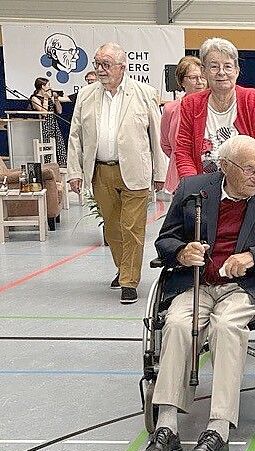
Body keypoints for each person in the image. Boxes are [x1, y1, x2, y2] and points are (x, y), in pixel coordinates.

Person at [134, 135, 255, 451]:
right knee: (178, 324)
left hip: (245, 287)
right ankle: (167, 428)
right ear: (224, 167)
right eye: (249, 170)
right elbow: (165, 240)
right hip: (197, 282)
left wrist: (254, 257)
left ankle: (218, 432)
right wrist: (181, 252)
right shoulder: (193, 191)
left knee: (227, 326)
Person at [67, 42, 167, 304]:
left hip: (135, 171)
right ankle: (124, 268)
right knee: (112, 228)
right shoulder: (86, 95)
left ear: (122, 67)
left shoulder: (144, 93)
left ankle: (129, 281)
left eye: (106, 64)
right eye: (97, 64)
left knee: (132, 227)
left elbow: (156, 135)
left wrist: (160, 171)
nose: (100, 69)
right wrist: (74, 172)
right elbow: (75, 136)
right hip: (101, 171)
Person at [174, 38, 255, 183]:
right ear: (204, 71)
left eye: (228, 66)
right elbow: (183, 150)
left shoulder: (253, 100)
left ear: (237, 71)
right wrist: (192, 187)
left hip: (249, 188)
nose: (221, 72)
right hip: (204, 190)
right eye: (214, 67)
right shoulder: (191, 104)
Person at [161, 56, 207, 193]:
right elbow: (166, 145)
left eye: (202, 77)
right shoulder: (170, 109)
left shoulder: (214, 108)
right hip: (179, 177)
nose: (200, 82)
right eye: (193, 78)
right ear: (182, 81)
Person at [29, 77, 67, 167]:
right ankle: (48, 165)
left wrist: (56, 99)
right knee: (46, 145)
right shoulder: (35, 98)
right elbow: (44, 113)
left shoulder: (51, 97)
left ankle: (61, 164)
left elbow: (60, 111)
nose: (50, 87)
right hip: (43, 124)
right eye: (48, 85)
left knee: (59, 144)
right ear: (43, 86)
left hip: (53, 123)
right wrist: (45, 99)